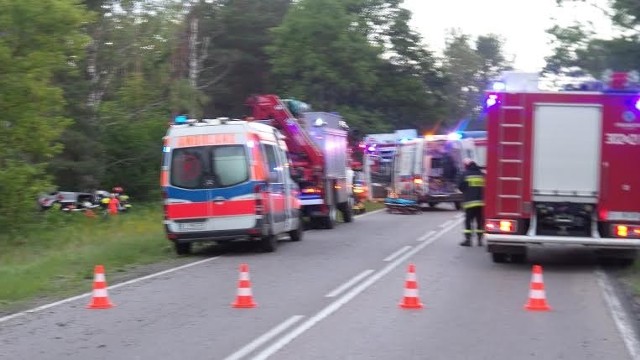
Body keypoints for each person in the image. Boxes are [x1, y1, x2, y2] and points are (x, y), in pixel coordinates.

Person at [458, 158, 485, 246]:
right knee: (480, 221)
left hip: (470, 202)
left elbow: (460, 186)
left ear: (467, 166)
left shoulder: (465, 174)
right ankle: (480, 240)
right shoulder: (482, 175)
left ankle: (468, 240)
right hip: (481, 203)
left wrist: (466, 191)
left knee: (468, 221)